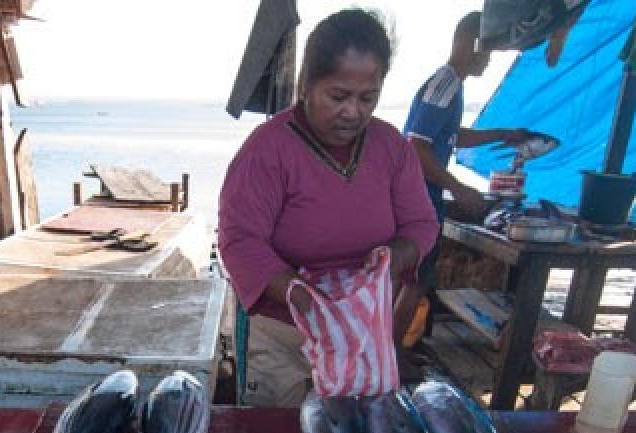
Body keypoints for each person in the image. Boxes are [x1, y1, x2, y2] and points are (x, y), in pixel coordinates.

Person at [218, 8, 440, 407]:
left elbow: (421, 224)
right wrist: (305, 299)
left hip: (366, 332)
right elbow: (239, 242)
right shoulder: (267, 150)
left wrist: (394, 258)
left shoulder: (392, 148)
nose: (353, 111)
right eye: (338, 96)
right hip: (287, 334)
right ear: (306, 84)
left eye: (367, 98)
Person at [395, 11, 531, 343]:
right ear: (474, 45)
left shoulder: (450, 87)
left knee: (412, 281)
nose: (488, 61)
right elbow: (416, 146)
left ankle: (394, 351)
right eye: (488, 51)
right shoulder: (446, 84)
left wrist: (501, 133)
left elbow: (451, 135)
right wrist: (458, 188)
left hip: (422, 199)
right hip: (418, 202)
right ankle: (392, 356)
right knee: (414, 282)